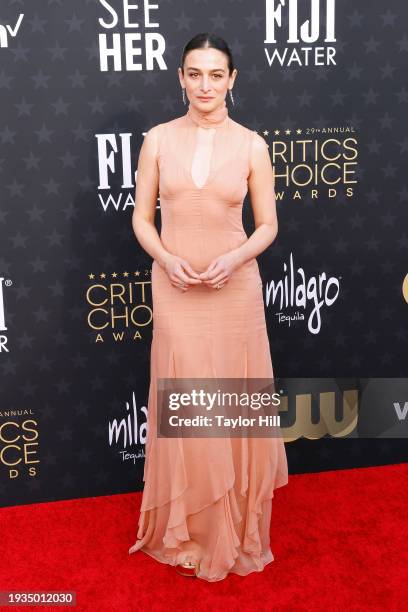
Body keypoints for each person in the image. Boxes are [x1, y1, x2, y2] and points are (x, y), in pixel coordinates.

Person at [128, 32, 289, 582]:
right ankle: (186, 534)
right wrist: (166, 260)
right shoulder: (156, 140)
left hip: (233, 291)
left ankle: (231, 530)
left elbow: (267, 224)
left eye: (215, 74)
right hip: (174, 288)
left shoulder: (251, 145)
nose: (205, 85)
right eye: (194, 73)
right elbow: (141, 219)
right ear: (180, 76)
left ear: (232, 80)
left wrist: (235, 258)